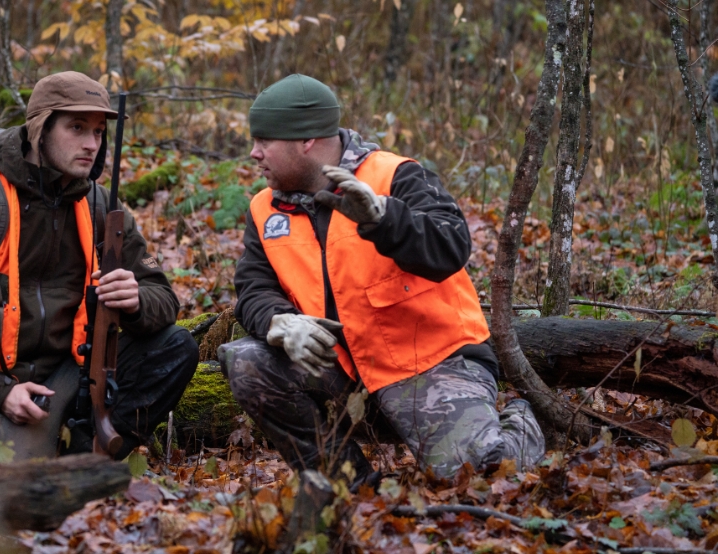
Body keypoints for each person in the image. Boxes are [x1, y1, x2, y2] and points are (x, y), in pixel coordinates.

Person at [219, 74, 544, 484]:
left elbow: (452, 245)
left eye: (264, 141)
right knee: (247, 360)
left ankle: (520, 422)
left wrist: (385, 220)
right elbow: (253, 288)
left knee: (482, 478)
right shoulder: (264, 209)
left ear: (306, 140)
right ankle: (349, 487)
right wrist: (279, 322)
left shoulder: (396, 175)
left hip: (428, 364)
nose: (254, 153)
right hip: (341, 372)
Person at [0, 71, 199, 468]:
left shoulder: (100, 208)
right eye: (77, 128)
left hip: (66, 379)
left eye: (98, 132)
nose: (91, 144)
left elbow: (164, 299)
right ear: (39, 130)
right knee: (10, 490)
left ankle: (82, 459)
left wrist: (136, 301)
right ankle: (41, 461)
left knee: (174, 348)